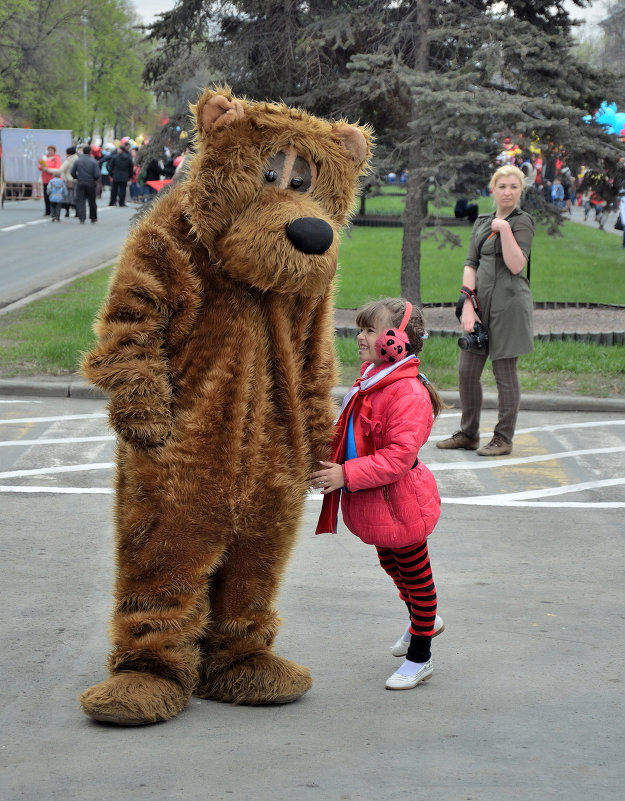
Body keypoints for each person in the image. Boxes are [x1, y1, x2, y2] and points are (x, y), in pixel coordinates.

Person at [312, 298, 445, 691]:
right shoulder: (373, 378)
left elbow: (398, 457)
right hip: (380, 504)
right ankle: (424, 621)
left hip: (401, 504)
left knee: (417, 579)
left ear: (396, 339)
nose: (360, 337)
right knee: (393, 566)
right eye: (361, 329)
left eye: (371, 330)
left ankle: (421, 656)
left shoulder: (407, 392)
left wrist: (346, 474)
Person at [437, 164, 534, 456]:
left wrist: (504, 229)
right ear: (493, 189)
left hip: (510, 307)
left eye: (513, 187)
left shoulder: (522, 222)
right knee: (467, 371)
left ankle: (503, 438)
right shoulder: (481, 222)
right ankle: (469, 434)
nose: (507, 192)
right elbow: (471, 264)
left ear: (520, 191)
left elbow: (517, 265)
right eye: (502, 186)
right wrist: (468, 305)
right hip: (480, 306)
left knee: (505, 374)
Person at [70, 145, 101, 224]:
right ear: (90, 152)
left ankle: (82, 217)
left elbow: (72, 172)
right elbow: (97, 174)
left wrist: (77, 177)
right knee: (92, 201)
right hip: (91, 182)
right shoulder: (93, 161)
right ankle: (93, 217)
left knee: (80, 200)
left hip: (80, 181)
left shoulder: (78, 161)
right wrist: (93, 179)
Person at [48, 146, 78, 218]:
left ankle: (67, 212)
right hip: (76, 180)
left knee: (67, 197)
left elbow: (60, 170)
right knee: (75, 197)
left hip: (68, 181)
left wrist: (48, 169)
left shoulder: (68, 161)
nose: (66, 155)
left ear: (69, 154)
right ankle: (77, 212)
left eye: (66, 153)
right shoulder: (78, 159)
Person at [38, 145, 62, 217]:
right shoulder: (44, 157)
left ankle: (53, 211)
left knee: (53, 196)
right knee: (46, 195)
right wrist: (42, 166)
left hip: (53, 180)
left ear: (54, 151)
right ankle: (47, 211)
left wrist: (47, 168)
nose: (50, 152)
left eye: (51, 150)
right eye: (49, 150)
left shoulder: (56, 158)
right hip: (45, 179)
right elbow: (39, 166)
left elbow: (58, 167)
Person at [107, 141, 134, 207]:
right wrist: (130, 176)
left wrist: (111, 174)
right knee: (123, 189)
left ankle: (112, 202)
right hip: (125, 175)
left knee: (114, 190)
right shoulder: (129, 158)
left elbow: (111, 167)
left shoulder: (115, 157)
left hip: (116, 175)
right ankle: (121, 202)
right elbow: (131, 168)